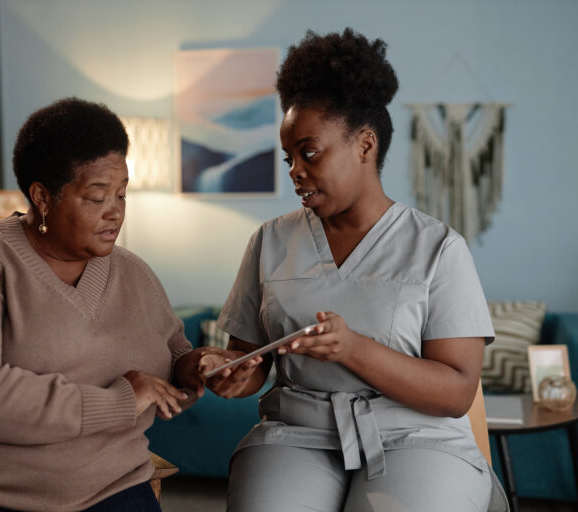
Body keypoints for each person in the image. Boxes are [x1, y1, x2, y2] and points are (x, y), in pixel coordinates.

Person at [202, 29, 508, 512]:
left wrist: (354, 349)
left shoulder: (438, 248)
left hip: (416, 437)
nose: (295, 171)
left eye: (310, 152)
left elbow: (455, 392)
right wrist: (234, 374)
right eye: (289, 158)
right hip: (298, 435)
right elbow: (249, 358)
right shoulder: (269, 240)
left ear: (365, 145)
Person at [0, 97, 219, 511]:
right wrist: (118, 402)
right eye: (97, 198)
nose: (115, 213)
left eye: (122, 195)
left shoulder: (136, 273)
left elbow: (168, 359)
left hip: (110, 486)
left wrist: (194, 368)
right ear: (42, 196)